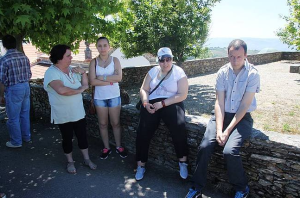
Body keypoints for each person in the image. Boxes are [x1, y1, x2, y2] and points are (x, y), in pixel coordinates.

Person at [185, 39, 260, 198]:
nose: (235, 60)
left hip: (242, 118)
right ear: (228, 55)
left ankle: (241, 188)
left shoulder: (253, 74)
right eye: (232, 56)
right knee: (205, 146)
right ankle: (196, 187)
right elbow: (219, 102)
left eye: (239, 57)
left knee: (230, 151)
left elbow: (244, 105)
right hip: (221, 115)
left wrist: (227, 132)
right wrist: (219, 130)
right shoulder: (222, 72)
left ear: (245, 55)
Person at [135, 47, 189, 181]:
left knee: (179, 126)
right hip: (152, 102)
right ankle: (140, 164)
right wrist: (146, 102)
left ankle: (182, 161)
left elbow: (183, 94)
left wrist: (163, 103)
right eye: (162, 60)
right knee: (143, 130)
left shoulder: (179, 72)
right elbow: (144, 89)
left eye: (168, 59)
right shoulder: (153, 71)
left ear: (172, 59)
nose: (165, 63)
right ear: (158, 60)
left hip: (172, 102)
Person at [44, 44, 96, 174]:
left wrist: (83, 73)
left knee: (82, 136)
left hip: (78, 112)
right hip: (63, 114)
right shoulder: (51, 72)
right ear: (59, 58)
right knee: (67, 138)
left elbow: (85, 84)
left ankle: (86, 159)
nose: (71, 57)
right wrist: (80, 90)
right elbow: (61, 90)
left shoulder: (72, 70)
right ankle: (70, 162)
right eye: (68, 55)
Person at [89, 37, 127, 159]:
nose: (102, 48)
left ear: (109, 46)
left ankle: (119, 146)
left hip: (114, 96)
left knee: (115, 123)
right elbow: (92, 81)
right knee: (103, 124)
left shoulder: (115, 60)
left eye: (105, 45)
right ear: (97, 47)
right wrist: (110, 80)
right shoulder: (93, 62)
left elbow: (119, 78)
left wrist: (102, 77)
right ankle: (106, 147)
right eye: (100, 46)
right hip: (99, 98)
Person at [0, 35, 32, 148]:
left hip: (14, 88)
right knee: (24, 114)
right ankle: (26, 137)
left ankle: (16, 141)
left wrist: (1, 95)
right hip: (26, 86)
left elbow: (2, 80)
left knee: (13, 117)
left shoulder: (4, 59)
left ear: (4, 45)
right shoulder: (24, 56)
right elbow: (29, 74)